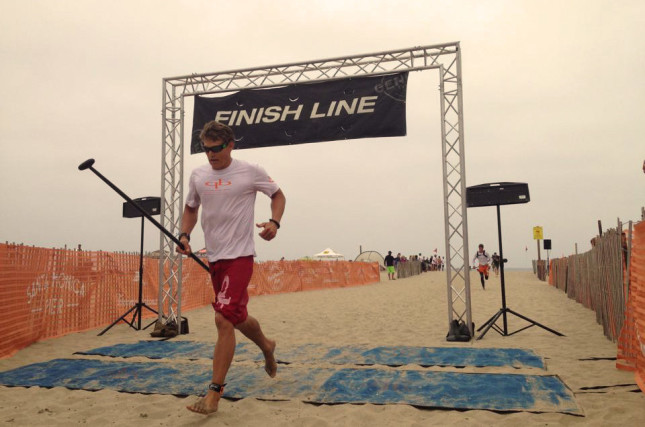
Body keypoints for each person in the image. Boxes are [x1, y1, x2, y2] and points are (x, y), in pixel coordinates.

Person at [176, 121, 286, 415]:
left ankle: (213, 395)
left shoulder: (250, 171)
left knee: (223, 320)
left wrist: (274, 222)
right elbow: (190, 208)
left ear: (230, 145)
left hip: (240, 256)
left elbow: (278, 195)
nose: (210, 155)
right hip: (215, 257)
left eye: (216, 149)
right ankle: (266, 345)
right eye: (205, 149)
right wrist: (184, 235)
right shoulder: (198, 175)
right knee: (236, 316)